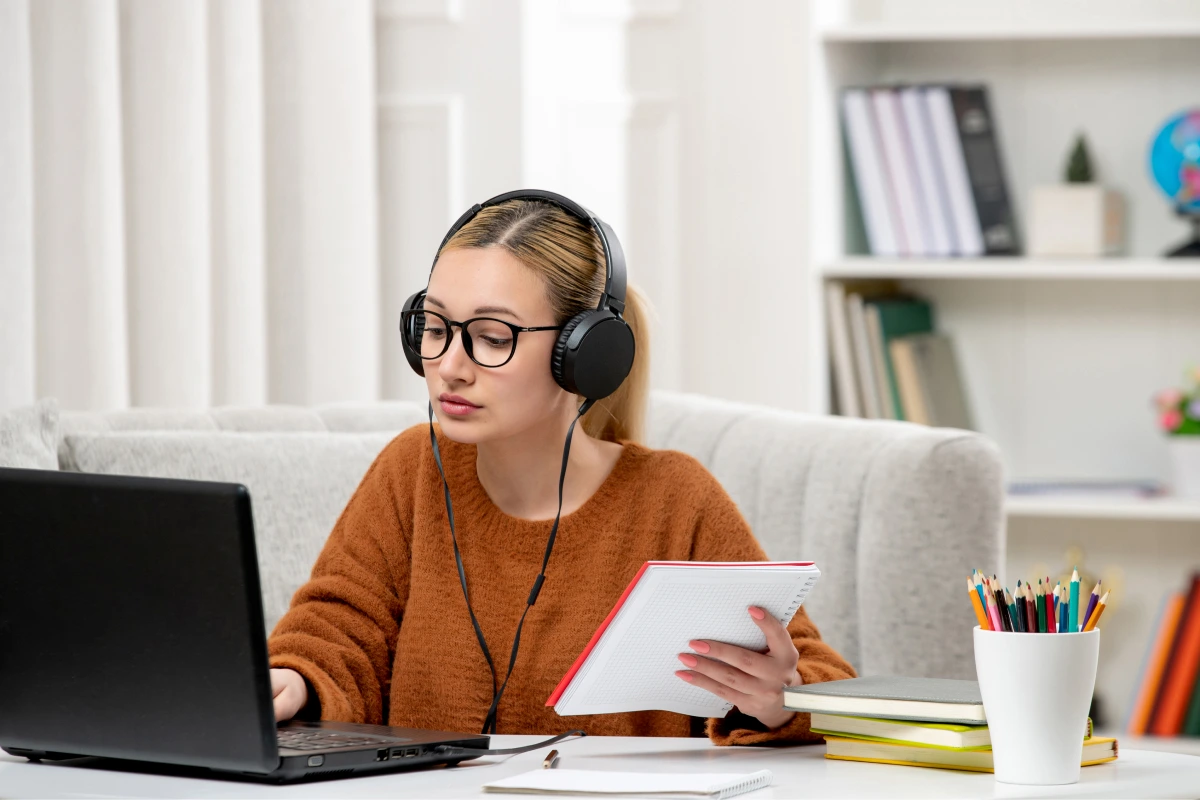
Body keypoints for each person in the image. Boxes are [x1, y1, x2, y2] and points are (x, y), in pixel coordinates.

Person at [267, 193, 855, 746]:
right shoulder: (412, 471)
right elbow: (339, 628)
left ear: (584, 354)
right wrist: (295, 678)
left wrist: (779, 701)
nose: (449, 366)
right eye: (437, 328)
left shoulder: (674, 499)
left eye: (492, 337)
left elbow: (822, 680)